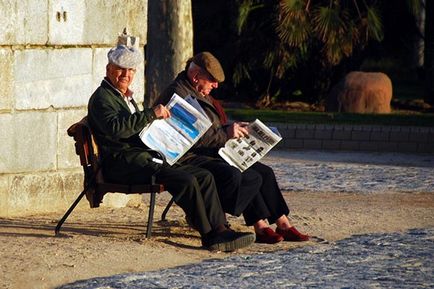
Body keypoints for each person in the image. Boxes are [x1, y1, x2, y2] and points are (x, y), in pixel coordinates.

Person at [87, 45, 255, 252]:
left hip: (141, 157)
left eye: (131, 70)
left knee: (203, 176)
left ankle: (220, 228)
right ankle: (209, 235)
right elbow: (116, 129)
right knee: (186, 179)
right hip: (123, 163)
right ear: (108, 69)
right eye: (121, 69)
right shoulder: (103, 98)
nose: (126, 74)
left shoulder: (123, 96)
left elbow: (133, 128)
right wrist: (151, 114)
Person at [155, 51, 309, 244]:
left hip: (210, 150)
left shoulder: (197, 91)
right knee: (244, 175)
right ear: (196, 76)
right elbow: (190, 136)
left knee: (264, 172)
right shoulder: (179, 94)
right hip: (190, 156)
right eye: (212, 80)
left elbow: (209, 127)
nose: (216, 85)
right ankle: (256, 223)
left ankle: (281, 223)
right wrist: (225, 134)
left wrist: (231, 128)